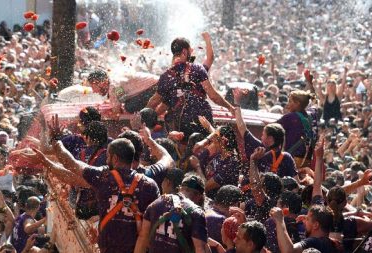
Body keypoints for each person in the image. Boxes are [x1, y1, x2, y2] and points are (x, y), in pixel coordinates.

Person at [22, 138, 160, 253]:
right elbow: (153, 227)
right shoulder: (150, 185)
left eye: (108, 157)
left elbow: (71, 164)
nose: (106, 161)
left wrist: (56, 142)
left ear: (115, 158)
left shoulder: (103, 177)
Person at [146, 37, 235, 138]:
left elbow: (154, 101)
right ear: (184, 51)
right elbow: (213, 96)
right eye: (190, 49)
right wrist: (230, 108)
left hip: (179, 129)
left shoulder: (166, 77)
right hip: (201, 124)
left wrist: (143, 117)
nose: (192, 51)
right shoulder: (198, 69)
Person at [232, 88, 298, 180]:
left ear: (270, 139)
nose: (261, 137)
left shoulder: (259, 149)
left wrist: (237, 102)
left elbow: (241, 126)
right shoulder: (287, 158)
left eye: (263, 134)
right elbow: (296, 183)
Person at [134, 174, 209, 253]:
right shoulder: (197, 213)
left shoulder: (156, 204)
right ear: (200, 197)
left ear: (180, 188)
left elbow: (142, 238)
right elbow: (200, 249)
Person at [277, 90, 318, 168]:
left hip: (292, 158)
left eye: (290, 101)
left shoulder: (290, 117)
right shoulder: (309, 117)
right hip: (306, 159)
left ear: (297, 103)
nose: (288, 104)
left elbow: (273, 127)